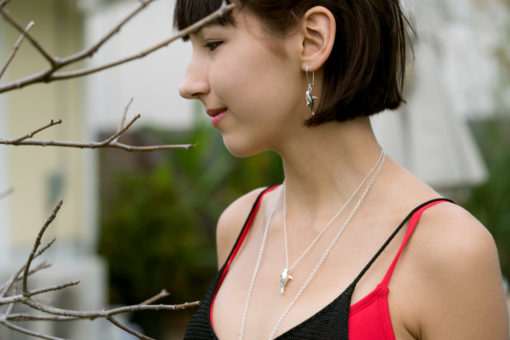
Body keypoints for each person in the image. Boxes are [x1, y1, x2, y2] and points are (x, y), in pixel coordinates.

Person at [173, 1, 509, 339]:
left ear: (312, 41)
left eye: (213, 44)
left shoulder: (447, 251)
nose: (188, 84)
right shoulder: (240, 227)